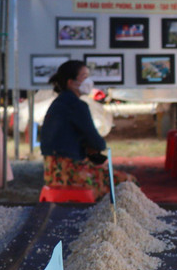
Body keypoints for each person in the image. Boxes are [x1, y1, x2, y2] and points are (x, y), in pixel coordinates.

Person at [40, 60, 135, 199]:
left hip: (52, 173)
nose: (89, 81)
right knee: (128, 182)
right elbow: (98, 143)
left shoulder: (59, 103)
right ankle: (121, 218)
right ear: (71, 82)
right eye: (84, 77)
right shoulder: (77, 105)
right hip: (72, 172)